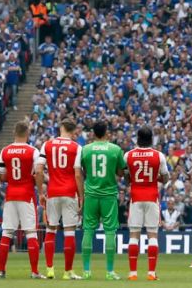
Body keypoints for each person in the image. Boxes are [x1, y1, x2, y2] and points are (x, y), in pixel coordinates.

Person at [37, 118, 84, 280]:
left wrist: (40, 192)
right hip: (70, 192)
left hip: (53, 191)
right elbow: (77, 174)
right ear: (73, 131)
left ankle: (50, 269)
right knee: (70, 232)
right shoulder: (77, 147)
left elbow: (39, 169)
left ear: (61, 128)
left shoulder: (47, 144)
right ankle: (67, 272)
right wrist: (82, 195)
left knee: (51, 230)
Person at [80, 120, 125, 280]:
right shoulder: (115, 149)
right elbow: (121, 172)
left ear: (93, 133)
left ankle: (86, 271)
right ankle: (110, 271)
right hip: (108, 194)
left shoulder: (85, 150)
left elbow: (82, 170)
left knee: (88, 230)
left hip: (91, 194)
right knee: (110, 231)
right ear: (106, 133)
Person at [0, 120, 43, 279]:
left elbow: (2, 177)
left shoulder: (5, 151)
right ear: (27, 133)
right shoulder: (33, 151)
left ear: (14, 133)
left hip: (10, 195)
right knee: (31, 233)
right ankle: (34, 271)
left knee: (7, 232)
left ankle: (1, 271)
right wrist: (38, 187)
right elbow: (38, 173)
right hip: (26, 194)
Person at [123, 126, 169, 281]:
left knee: (134, 235)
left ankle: (133, 273)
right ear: (151, 139)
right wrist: (156, 178)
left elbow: (126, 177)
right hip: (152, 197)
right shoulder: (159, 156)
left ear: (137, 138)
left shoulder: (128, 155)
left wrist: (134, 180)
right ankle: (151, 273)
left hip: (136, 197)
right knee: (152, 236)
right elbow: (166, 177)